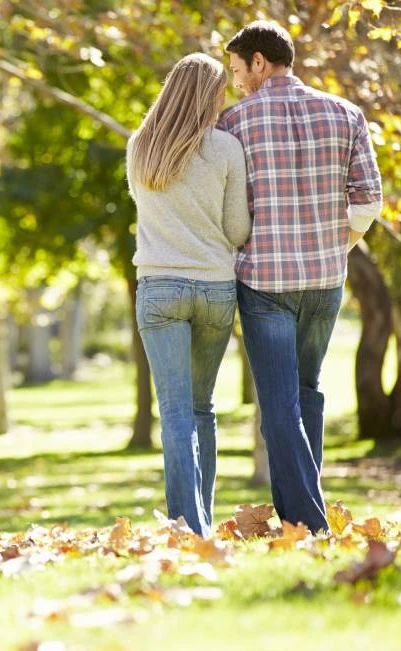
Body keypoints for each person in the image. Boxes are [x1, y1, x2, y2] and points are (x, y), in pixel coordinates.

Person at [217, 21, 383, 533]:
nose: (237, 82)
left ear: (260, 63)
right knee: (306, 392)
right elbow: (369, 200)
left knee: (279, 404)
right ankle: (298, 518)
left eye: (238, 70)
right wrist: (337, 245)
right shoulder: (346, 113)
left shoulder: (234, 122)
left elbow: (225, 205)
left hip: (265, 282)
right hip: (325, 279)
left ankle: (309, 520)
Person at [126, 53, 252, 536]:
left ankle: (188, 526)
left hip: (159, 289)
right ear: (211, 96)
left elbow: (149, 212)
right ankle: (202, 518)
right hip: (216, 289)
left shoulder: (140, 146)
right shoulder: (225, 148)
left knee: (176, 411)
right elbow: (238, 229)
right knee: (202, 407)